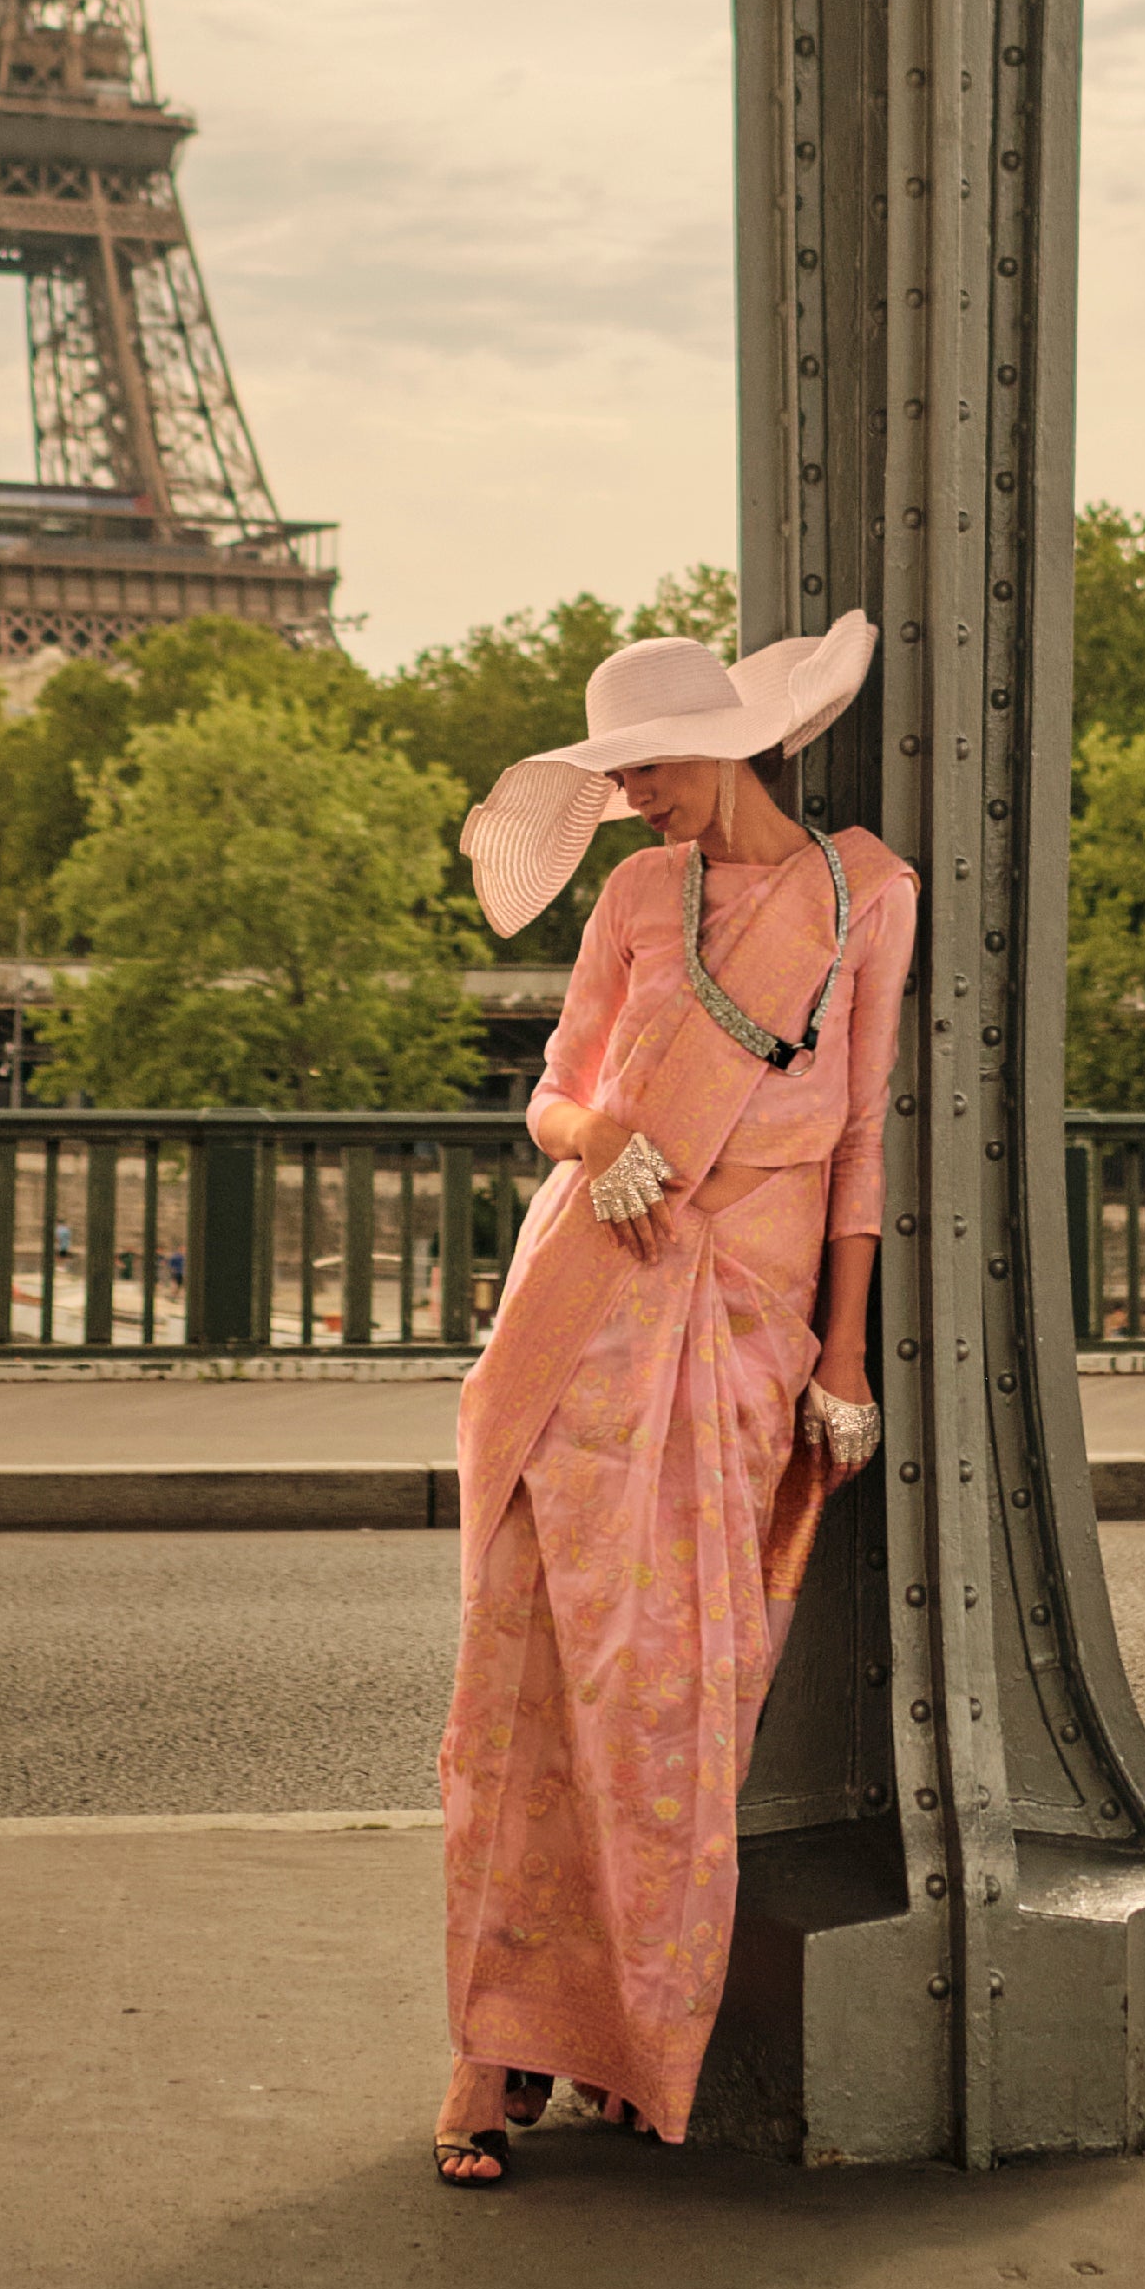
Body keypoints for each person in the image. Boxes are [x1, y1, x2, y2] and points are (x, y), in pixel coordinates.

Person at [432, 613, 915, 2186]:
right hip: (589, 1308)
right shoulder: (639, 896)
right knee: (520, 1683)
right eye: (616, 772)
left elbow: (862, 1153)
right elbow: (551, 1091)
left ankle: (634, 2044)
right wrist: (594, 1147)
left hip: (750, 1322)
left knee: (674, 1707)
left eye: (646, 765)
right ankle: (488, 2061)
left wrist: (843, 1356)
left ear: (735, 739)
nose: (633, 794)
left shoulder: (870, 896)